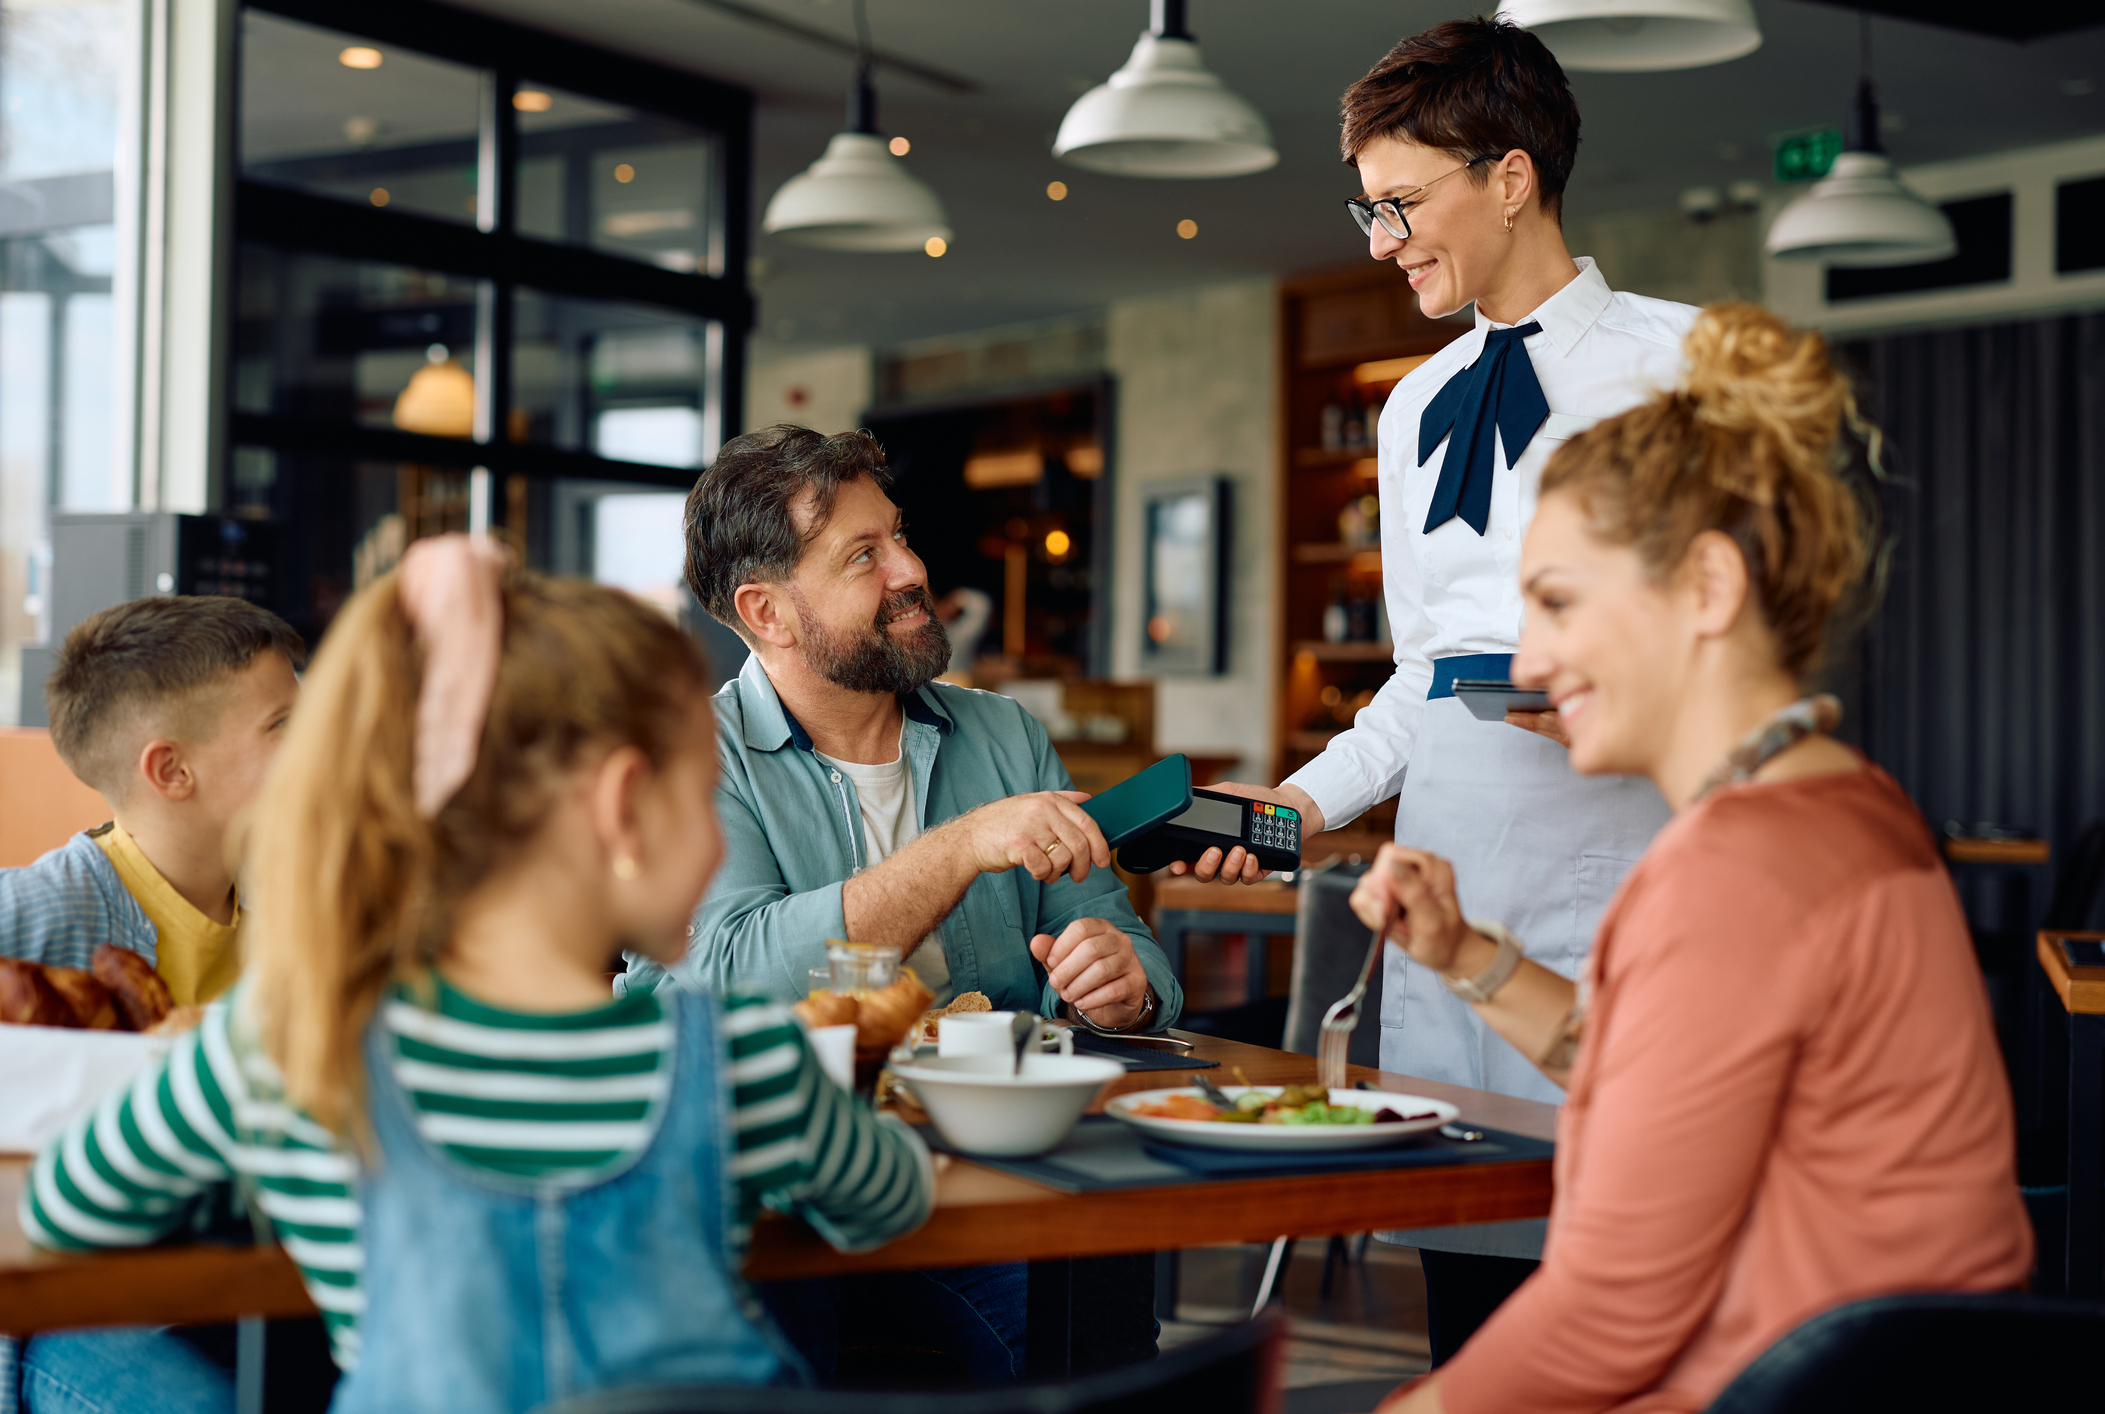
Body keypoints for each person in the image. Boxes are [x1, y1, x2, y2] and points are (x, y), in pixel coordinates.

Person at [20, 539, 933, 1414]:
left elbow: (70, 1208)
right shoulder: (748, 1061)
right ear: (622, 809)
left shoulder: (279, 1050)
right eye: (702, 799)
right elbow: (891, 1202)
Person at [1352, 303, 2033, 1413]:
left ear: (1709, 589)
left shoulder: (1731, 873)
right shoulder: (1847, 803)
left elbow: (1609, 1320)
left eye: (1558, 603)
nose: (1530, 656)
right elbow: (1640, 1065)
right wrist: (1467, 952)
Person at [1172, 17, 1690, 1346]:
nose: (1377, 237)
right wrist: (1293, 804)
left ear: (1509, 177)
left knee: (1625, 1295)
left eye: (1399, 201)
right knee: (1470, 1308)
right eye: (1368, 204)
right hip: (1449, 900)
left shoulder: (1680, 364)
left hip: (1618, 883)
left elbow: (1733, 638)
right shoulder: (1413, 409)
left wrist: (1585, 675)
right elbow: (1416, 675)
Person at [619, 423, 1181, 1381]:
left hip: (997, 1171)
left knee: (1102, 1285)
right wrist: (960, 847)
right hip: (782, 1195)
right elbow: (721, 974)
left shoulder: (1001, 734)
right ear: (768, 612)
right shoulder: (689, 758)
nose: (912, 569)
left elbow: (1124, 941)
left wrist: (1122, 982)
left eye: (901, 536)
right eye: (863, 556)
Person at [0, 595, 303, 1001]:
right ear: (172, 771)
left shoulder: (293, 901)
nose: (316, 740)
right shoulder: (41, 910)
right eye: (281, 723)